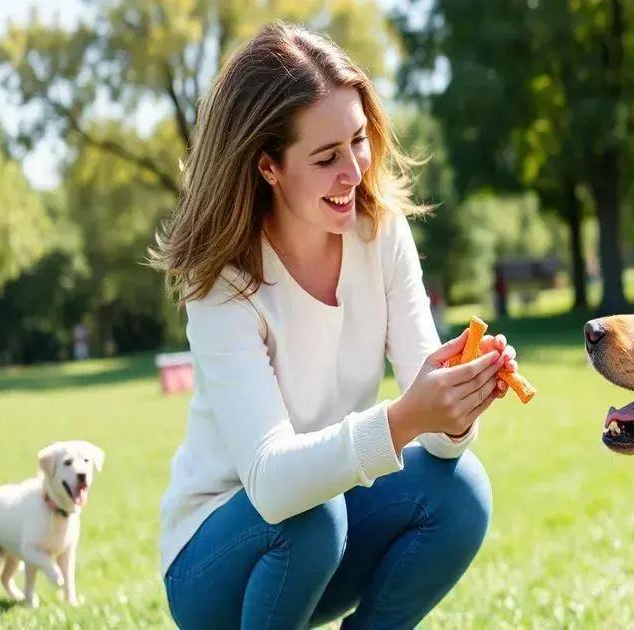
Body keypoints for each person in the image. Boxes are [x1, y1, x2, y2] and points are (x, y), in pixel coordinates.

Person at [149, 23, 516, 629]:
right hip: (216, 564)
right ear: (268, 166)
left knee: (461, 493)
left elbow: (438, 441)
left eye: (358, 141)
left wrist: (458, 402)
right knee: (311, 516)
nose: (353, 171)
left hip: (327, 530)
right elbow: (270, 482)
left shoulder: (382, 235)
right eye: (325, 158)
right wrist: (406, 417)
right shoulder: (223, 283)